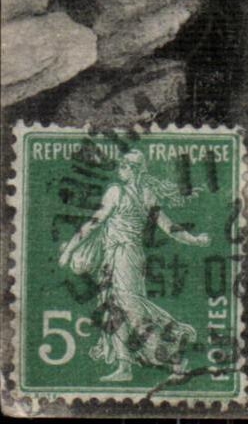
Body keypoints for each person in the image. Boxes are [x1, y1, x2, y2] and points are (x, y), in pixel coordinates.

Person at [57, 150, 209, 383]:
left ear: (136, 169)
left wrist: (69, 251)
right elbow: (169, 228)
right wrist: (195, 239)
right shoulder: (143, 194)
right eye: (121, 164)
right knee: (113, 309)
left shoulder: (118, 192)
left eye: (125, 165)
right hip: (118, 257)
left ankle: (175, 353)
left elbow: (95, 223)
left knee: (131, 310)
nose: (121, 168)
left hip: (125, 257)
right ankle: (124, 366)